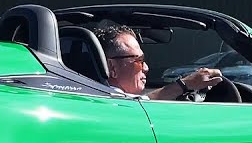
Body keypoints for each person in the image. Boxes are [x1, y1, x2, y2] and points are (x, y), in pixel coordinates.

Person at [95, 24, 223, 100]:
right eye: (139, 60)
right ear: (112, 68)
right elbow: (138, 106)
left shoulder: (85, 95)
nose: (146, 68)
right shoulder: (110, 102)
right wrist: (185, 84)